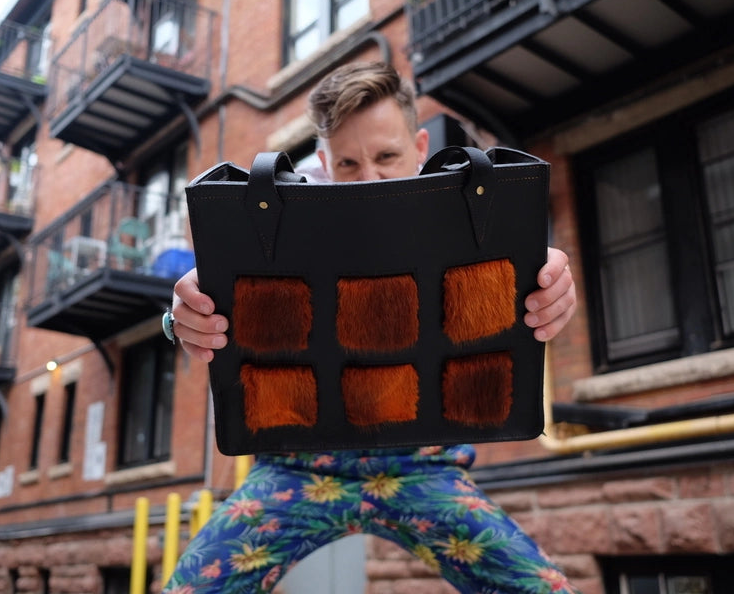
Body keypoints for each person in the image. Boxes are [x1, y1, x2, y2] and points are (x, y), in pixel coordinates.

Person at [162, 61, 580, 594]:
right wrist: (180, 317)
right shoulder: (276, 228)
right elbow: (198, 302)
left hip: (423, 467)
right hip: (296, 469)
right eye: (349, 163)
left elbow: (524, 288)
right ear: (323, 162)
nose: (371, 179)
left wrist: (546, 289)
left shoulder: (465, 223)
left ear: (421, 145)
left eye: (387, 157)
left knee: (543, 589)